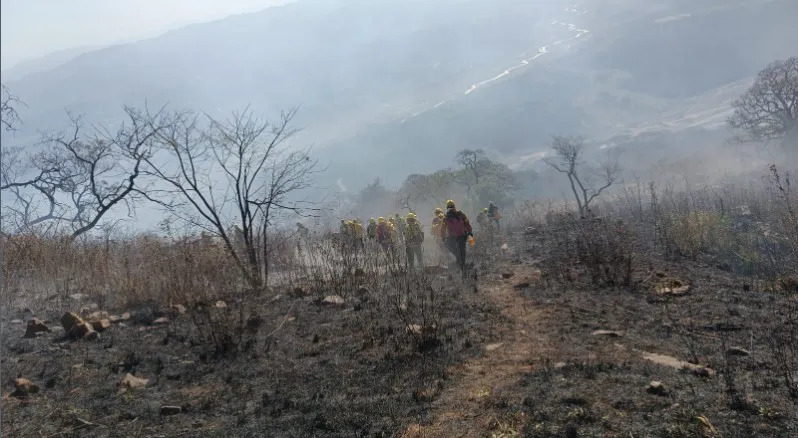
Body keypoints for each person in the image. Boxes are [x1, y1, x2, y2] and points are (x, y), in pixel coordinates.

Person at [440, 199, 472, 273]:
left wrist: (443, 237)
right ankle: (462, 264)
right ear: (454, 206)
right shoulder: (460, 214)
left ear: (447, 207)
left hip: (452, 237)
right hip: (461, 235)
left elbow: (442, 229)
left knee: (451, 248)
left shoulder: (446, 217)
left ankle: (459, 261)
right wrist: (470, 232)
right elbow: (467, 223)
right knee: (462, 251)